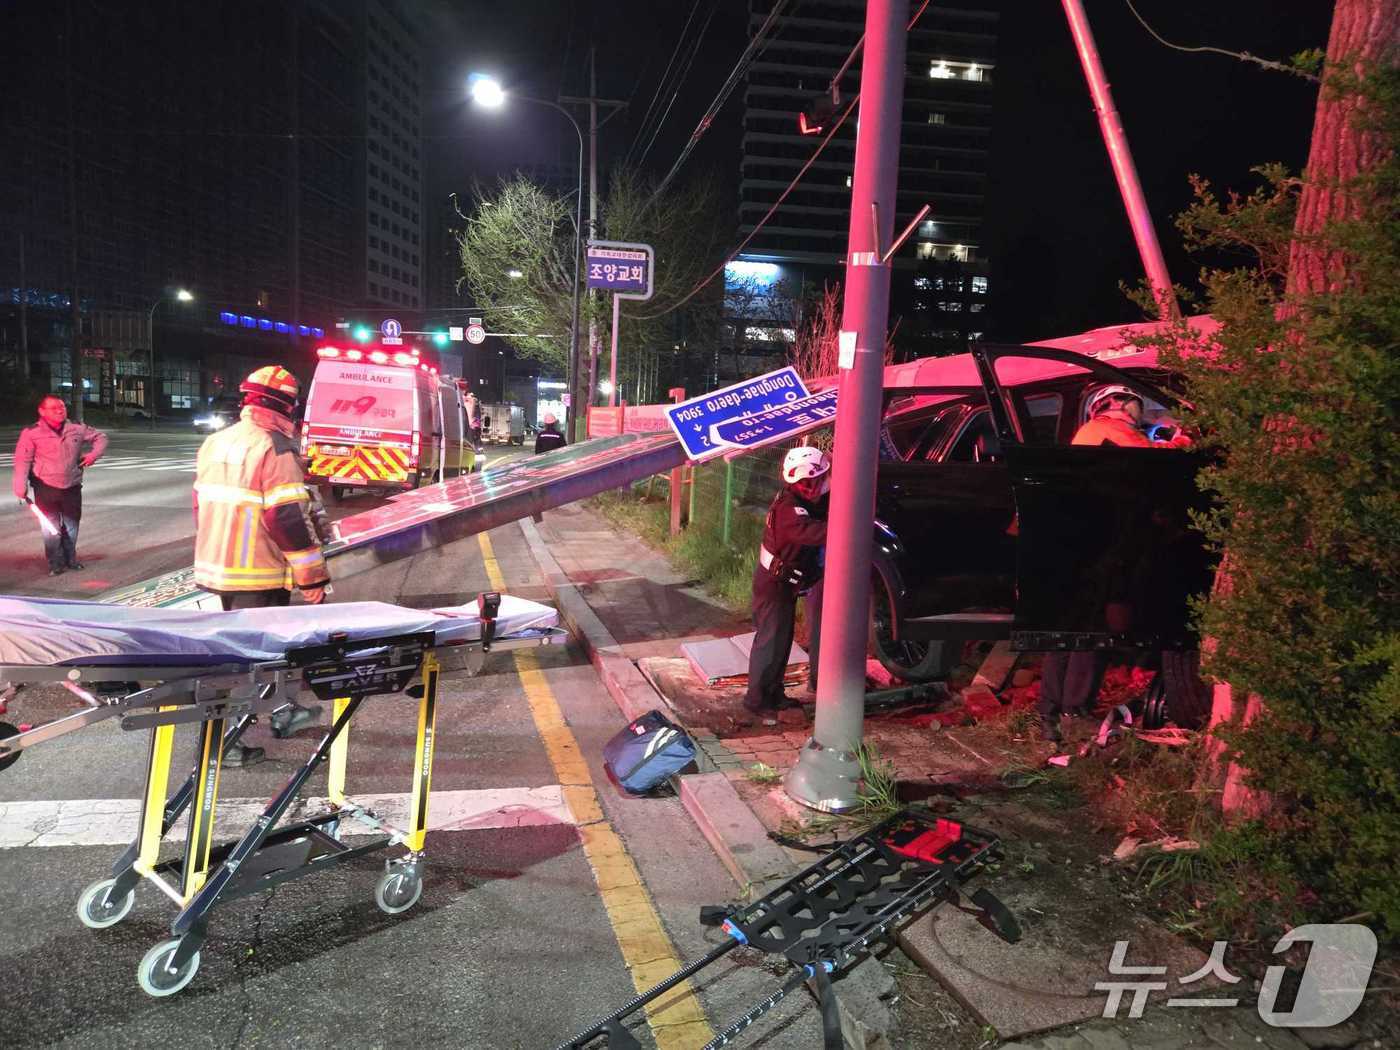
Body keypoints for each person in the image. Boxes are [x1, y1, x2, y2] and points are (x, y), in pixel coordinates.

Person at [1038, 384, 1191, 743]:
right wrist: (1183, 439)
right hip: (1098, 544)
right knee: (1092, 630)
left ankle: (1051, 715)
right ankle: (1073, 711)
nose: (1141, 412)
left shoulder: (1090, 434)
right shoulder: (1108, 429)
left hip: (1079, 541)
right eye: (1137, 404)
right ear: (1115, 403)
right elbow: (1154, 459)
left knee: (1069, 630)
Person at [194, 365, 330, 767]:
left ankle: (284, 712)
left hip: (216, 569)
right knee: (248, 662)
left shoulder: (217, 442)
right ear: (287, 404)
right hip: (256, 571)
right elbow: (286, 518)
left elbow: (200, 506)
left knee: (258, 655)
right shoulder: (275, 448)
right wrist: (312, 577)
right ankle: (226, 745)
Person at [741, 446, 831, 727]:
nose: (823, 485)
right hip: (774, 585)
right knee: (771, 642)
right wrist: (845, 521)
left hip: (782, 584)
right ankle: (757, 701)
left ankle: (774, 694)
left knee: (780, 642)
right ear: (805, 483)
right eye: (819, 480)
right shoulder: (790, 511)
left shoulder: (796, 501)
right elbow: (813, 533)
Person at [11, 394, 107, 575]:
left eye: (62, 407)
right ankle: (55, 563)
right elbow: (22, 460)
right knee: (50, 527)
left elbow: (101, 438)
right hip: (45, 486)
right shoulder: (32, 433)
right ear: (42, 411)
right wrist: (20, 484)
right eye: (54, 408)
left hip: (71, 485)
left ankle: (71, 558)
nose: (59, 411)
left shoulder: (77, 428)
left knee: (71, 525)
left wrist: (93, 455)